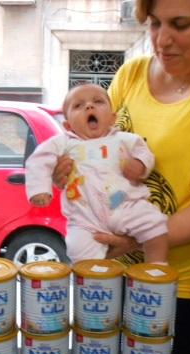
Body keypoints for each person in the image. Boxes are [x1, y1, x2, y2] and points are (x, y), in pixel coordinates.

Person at [53, 0, 190, 353]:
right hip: (112, 270)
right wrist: (68, 171)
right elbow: (98, 144)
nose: (162, 40)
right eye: (154, 23)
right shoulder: (132, 73)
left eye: (180, 25)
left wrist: (140, 239)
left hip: (181, 287)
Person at [25, 83, 169, 264]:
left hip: (126, 206)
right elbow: (39, 159)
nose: (89, 106)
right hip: (85, 216)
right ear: (68, 125)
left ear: (113, 118)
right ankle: (90, 278)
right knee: (77, 248)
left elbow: (144, 152)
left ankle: (156, 267)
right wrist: (40, 188)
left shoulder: (124, 139)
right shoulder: (64, 142)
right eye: (78, 105)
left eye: (98, 102)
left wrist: (140, 165)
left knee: (155, 225)